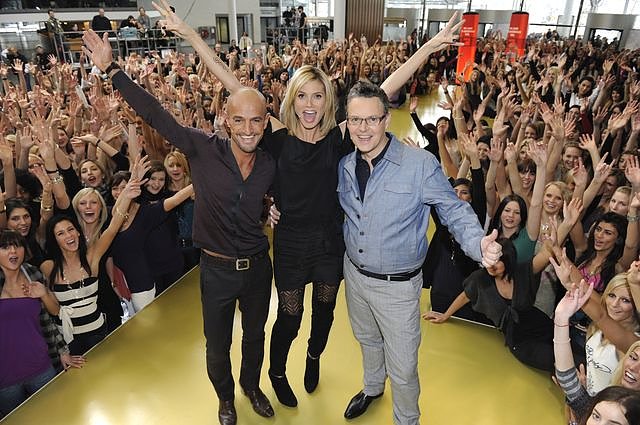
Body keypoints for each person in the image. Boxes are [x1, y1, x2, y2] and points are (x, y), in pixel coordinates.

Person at [82, 24, 276, 425]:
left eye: (256, 121)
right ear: (225, 120)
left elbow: (293, 192)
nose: (248, 129)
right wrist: (112, 70)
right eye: (239, 120)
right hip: (217, 270)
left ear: (265, 123)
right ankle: (226, 399)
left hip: (259, 268)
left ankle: (252, 387)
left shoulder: (271, 162)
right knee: (217, 345)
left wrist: (277, 209)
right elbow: (155, 112)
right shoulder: (201, 148)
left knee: (256, 336)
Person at [337, 79, 501, 424]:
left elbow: (453, 210)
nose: (363, 128)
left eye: (371, 119)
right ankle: (372, 387)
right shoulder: (345, 164)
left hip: (397, 287)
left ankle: (407, 419)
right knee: (366, 338)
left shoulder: (420, 165)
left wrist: (478, 242)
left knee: (403, 367)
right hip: (354, 275)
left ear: (386, 119)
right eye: (355, 120)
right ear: (347, 122)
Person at [0, 230, 84, 419]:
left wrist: (62, 351)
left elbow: (51, 315)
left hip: (41, 367)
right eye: (5, 247)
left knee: (56, 416)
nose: (13, 251)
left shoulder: (33, 273)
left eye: (17, 245)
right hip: (5, 379)